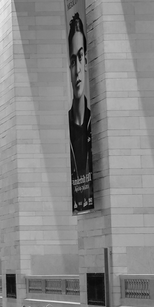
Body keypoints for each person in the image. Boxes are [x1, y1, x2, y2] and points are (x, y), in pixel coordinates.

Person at [67, 11, 93, 211]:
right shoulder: (65, 132)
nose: (77, 70)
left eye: (80, 57)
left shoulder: (94, 125)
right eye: (73, 60)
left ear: (86, 62)